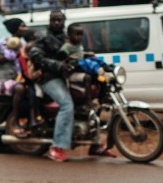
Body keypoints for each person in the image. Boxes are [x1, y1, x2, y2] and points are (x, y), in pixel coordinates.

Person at [29, 10, 115, 162]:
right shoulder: (42, 36)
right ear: (49, 21)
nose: (56, 23)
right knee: (67, 104)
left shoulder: (67, 36)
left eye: (59, 20)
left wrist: (88, 55)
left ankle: (95, 144)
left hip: (67, 76)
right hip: (49, 77)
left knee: (91, 99)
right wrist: (58, 65)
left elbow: (74, 51)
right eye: (53, 20)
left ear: (64, 21)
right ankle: (56, 147)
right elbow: (36, 56)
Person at [0, 18, 25, 96]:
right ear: (15, 28)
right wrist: (13, 54)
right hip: (7, 78)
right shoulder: (4, 43)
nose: (25, 29)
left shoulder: (24, 42)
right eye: (22, 26)